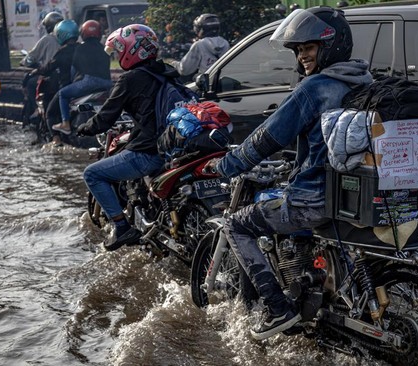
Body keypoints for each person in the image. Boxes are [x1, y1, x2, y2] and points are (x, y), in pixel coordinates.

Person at [205, 6, 373, 340]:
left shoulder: (315, 88)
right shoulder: (363, 79)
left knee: (237, 224)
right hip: (354, 195)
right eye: (298, 50)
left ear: (330, 45)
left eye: (308, 48)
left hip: (315, 197)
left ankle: (279, 310)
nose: (302, 56)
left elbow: (267, 138)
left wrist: (227, 164)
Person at [75, 24, 181, 251]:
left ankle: (122, 227)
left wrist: (84, 127)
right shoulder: (167, 72)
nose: (117, 55)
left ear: (131, 50)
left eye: (119, 50)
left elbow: (105, 118)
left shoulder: (130, 79)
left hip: (149, 151)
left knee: (92, 174)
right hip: (174, 147)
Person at [51, 20, 112, 139]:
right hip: (107, 83)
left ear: (83, 33)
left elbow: (74, 69)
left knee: (63, 94)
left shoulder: (80, 48)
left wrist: (73, 82)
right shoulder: (104, 49)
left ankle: (65, 124)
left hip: (88, 83)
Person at [31, 19, 79, 144]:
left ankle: (55, 140)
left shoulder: (63, 51)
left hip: (66, 86)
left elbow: (48, 68)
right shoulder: (81, 48)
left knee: (50, 113)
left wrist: (35, 71)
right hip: (81, 86)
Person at [20, 11, 63, 127]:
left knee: (30, 83)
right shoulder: (71, 40)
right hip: (68, 76)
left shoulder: (47, 39)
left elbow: (31, 57)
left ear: (48, 26)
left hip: (51, 76)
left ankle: (36, 110)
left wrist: (24, 62)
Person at [173, 13, 229, 81]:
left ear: (201, 29)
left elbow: (185, 70)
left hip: (207, 83)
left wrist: (174, 64)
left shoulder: (199, 45)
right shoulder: (225, 43)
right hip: (223, 81)